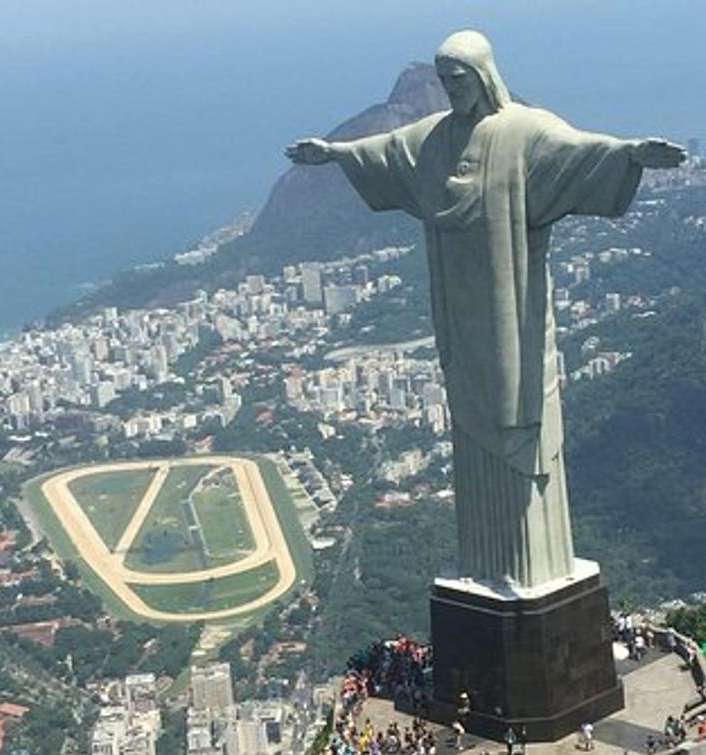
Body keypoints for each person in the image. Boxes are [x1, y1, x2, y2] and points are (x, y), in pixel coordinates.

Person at [287, 30, 683, 590]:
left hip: (511, 310)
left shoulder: (523, 130)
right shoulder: (435, 138)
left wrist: (630, 154)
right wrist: (332, 156)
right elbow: (386, 152)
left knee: (515, 406)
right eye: (445, 81)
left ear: (484, 76)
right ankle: (486, 566)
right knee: (471, 418)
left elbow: (579, 150)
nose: (452, 90)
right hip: (459, 308)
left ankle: (532, 565)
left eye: (461, 80)